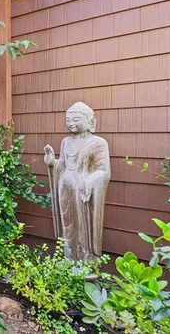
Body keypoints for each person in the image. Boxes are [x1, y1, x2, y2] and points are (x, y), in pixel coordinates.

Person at [44, 102, 110, 261]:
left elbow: (104, 171)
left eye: (76, 119)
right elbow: (64, 165)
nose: (71, 123)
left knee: (82, 226)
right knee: (68, 227)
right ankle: (69, 258)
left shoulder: (99, 143)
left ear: (90, 122)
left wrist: (91, 179)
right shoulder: (65, 142)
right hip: (65, 189)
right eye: (68, 119)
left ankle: (86, 261)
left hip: (83, 191)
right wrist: (53, 162)